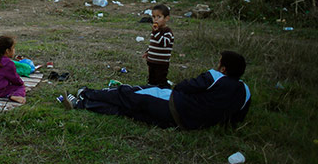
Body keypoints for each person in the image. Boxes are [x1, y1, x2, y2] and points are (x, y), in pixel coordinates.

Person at [62, 51, 251, 130]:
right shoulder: (245, 92)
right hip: (184, 125)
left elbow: (183, 87)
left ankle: (85, 93)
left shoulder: (215, 77)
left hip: (173, 106)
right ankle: (83, 105)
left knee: (128, 93)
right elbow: (235, 121)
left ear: (224, 69)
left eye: (219, 64)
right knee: (127, 111)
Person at [142, 4, 174, 87]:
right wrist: (148, 51)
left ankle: (164, 90)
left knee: (160, 79)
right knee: (152, 78)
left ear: (166, 18)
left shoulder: (167, 31)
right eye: (153, 17)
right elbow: (153, 43)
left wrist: (156, 32)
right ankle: (151, 88)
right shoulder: (156, 30)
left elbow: (163, 43)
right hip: (152, 61)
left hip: (161, 63)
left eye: (159, 17)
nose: (155, 19)